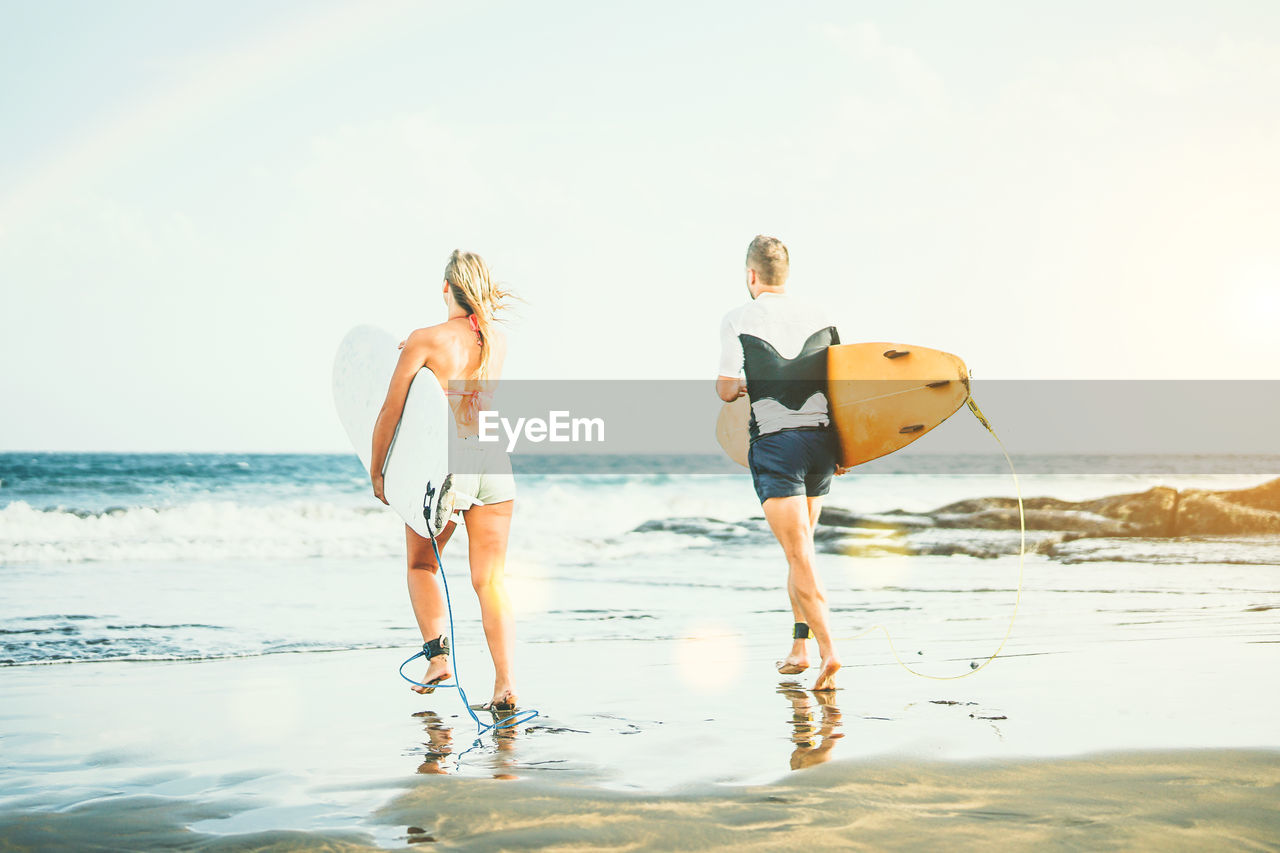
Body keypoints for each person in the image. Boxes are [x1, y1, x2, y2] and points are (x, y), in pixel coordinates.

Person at [370, 249, 519, 711]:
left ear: (445, 288)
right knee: (490, 581)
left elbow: (393, 411)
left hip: (447, 463)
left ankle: (438, 660)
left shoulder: (424, 340)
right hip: (493, 459)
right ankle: (505, 684)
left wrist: (378, 472)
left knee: (421, 566)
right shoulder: (498, 339)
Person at [716, 235, 847, 692]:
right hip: (823, 444)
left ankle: (830, 651)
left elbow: (726, 387)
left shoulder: (739, 318)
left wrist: (741, 387)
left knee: (799, 555)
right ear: (784, 275)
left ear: (751, 276)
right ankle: (800, 647)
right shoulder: (823, 315)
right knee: (800, 552)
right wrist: (847, 450)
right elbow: (841, 383)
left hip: (777, 447)